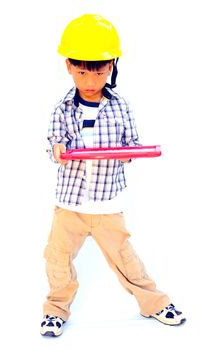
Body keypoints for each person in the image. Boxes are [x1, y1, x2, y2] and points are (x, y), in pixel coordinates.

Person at [41, 14, 186, 337]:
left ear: (111, 67)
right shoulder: (62, 109)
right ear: (68, 67)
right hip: (70, 203)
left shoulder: (121, 106)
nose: (91, 81)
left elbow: (132, 147)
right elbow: (52, 145)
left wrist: (127, 152)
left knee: (126, 258)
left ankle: (154, 303)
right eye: (81, 72)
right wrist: (58, 151)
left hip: (108, 203)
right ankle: (55, 310)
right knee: (57, 258)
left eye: (99, 72)